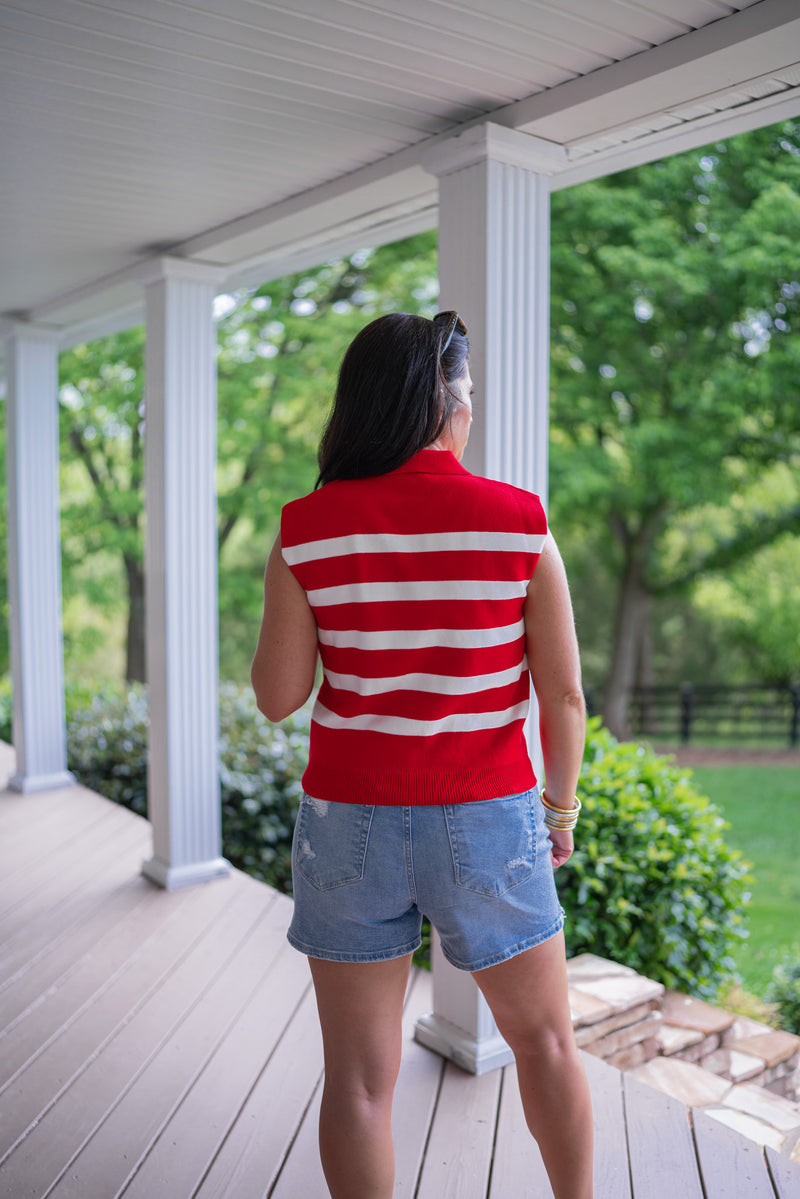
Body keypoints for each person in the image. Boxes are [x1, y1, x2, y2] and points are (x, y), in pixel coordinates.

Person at [251, 311, 593, 1199]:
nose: (471, 414)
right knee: (546, 1043)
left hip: (347, 824)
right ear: (442, 399)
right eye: (467, 396)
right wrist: (559, 813)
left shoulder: (306, 528)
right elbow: (562, 697)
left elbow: (278, 694)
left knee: (360, 1081)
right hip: (488, 819)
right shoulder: (519, 522)